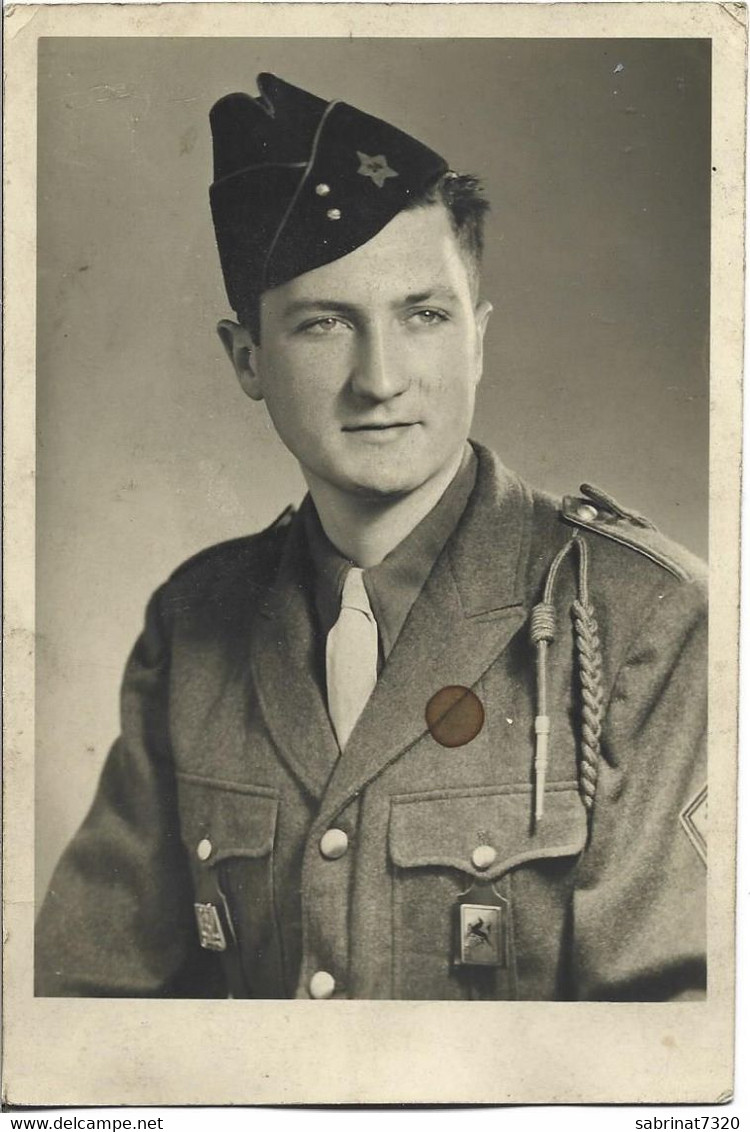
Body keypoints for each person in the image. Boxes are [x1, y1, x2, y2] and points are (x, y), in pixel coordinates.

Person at [35, 73, 707, 1001]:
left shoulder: (644, 619)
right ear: (247, 361)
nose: (381, 379)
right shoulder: (196, 625)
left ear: (477, 340)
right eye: (324, 323)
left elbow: (673, 1042)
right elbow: (88, 1011)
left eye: (423, 316)